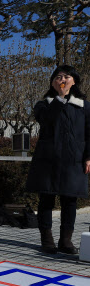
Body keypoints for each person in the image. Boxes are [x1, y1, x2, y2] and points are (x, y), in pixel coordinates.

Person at [25, 65, 90, 255]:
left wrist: (88, 157)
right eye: (57, 77)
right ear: (52, 82)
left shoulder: (84, 106)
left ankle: (66, 241)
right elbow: (46, 120)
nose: (62, 79)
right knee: (46, 199)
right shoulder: (43, 104)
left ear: (74, 81)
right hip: (48, 159)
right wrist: (60, 98)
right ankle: (47, 239)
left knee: (70, 201)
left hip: (74, 160)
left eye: (66, 76)